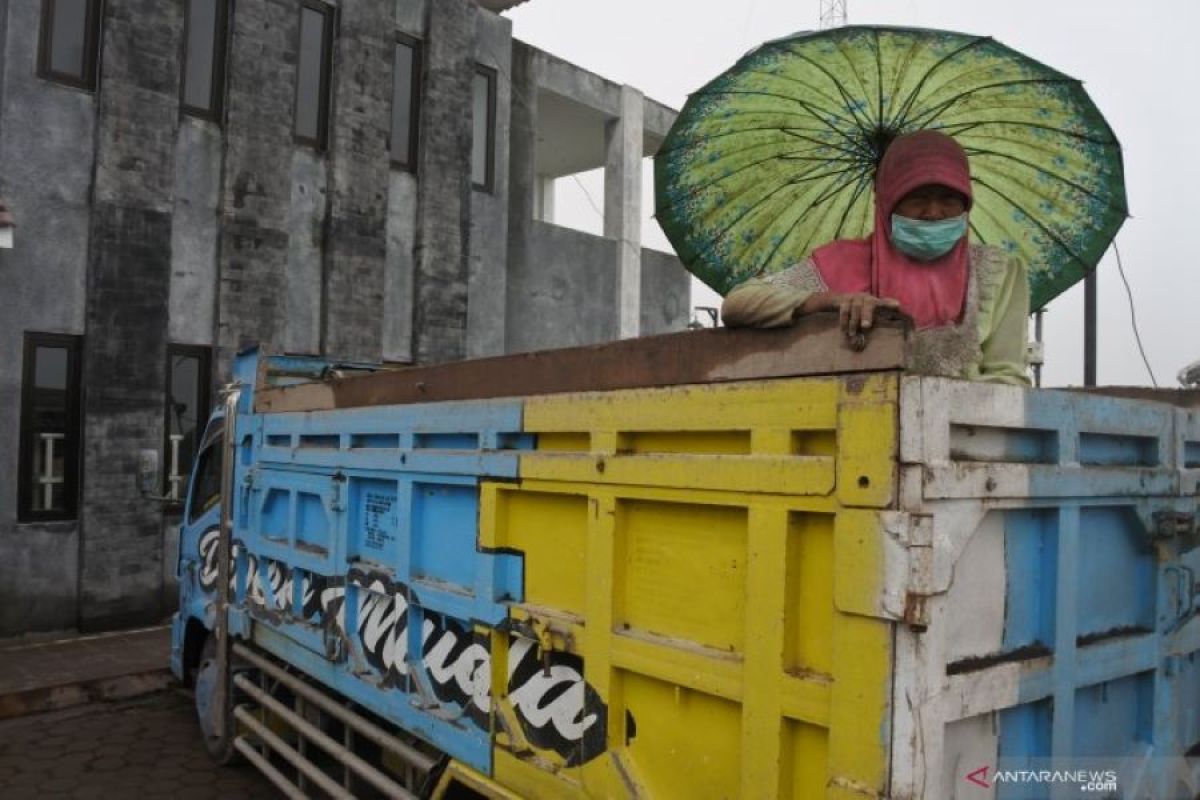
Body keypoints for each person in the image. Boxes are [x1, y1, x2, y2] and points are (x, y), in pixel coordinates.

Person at [721, 130, 1031, 386]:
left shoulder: (999, 272)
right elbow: (738, 303)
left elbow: (1006, 377)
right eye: (918, 199)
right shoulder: (840, 262)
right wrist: (832, 302)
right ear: (886, 202)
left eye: (950, 200)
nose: (934, 213)